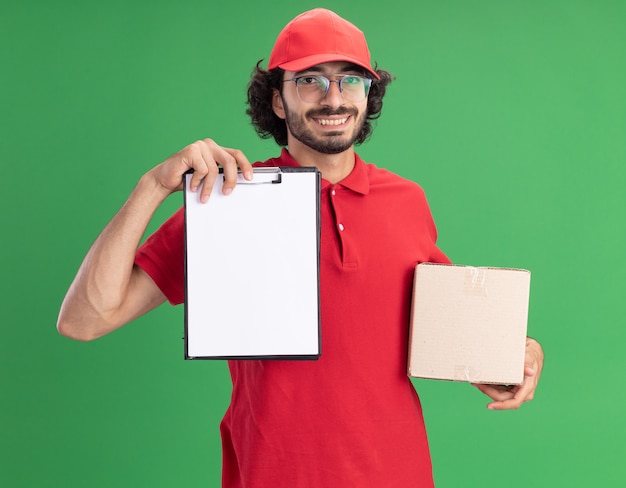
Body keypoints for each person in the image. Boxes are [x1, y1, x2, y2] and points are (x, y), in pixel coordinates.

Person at [57, 8, 544, 488]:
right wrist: (153, 185)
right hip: (272, 474)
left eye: (351, 80)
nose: (334, 98)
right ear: (276, 99)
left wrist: (515, 356)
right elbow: (85, 319)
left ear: (369, 94)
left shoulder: (408, 201)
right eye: (310, 80)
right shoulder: (227, 202)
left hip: (399, 474)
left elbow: (457, 340)